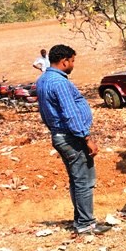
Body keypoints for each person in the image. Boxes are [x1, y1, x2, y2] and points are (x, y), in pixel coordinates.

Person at [35, 44, 110, 235]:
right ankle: (86, 224)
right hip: (72, 137)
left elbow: (45, 112)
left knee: (77, 180)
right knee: (83, 180)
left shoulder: (43, 79)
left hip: (60, 135)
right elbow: (70, 114)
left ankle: (81, 219)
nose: (73, 64)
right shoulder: (59, 83)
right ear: (64, 61)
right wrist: (86, 138)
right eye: (73, 61)